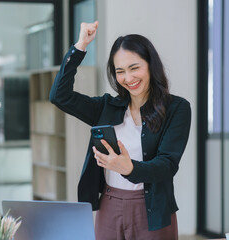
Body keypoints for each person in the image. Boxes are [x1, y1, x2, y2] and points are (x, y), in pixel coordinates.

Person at [49, 21, 191, 240]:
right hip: (110, 205)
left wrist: (129, 168)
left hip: (152, 208)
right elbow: (60, 96)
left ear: (150, 65)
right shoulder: (105, 107)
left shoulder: (177, 108)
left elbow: (167, 164)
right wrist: (80, 46)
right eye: (120, 71)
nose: (129, 78)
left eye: (135, 68)